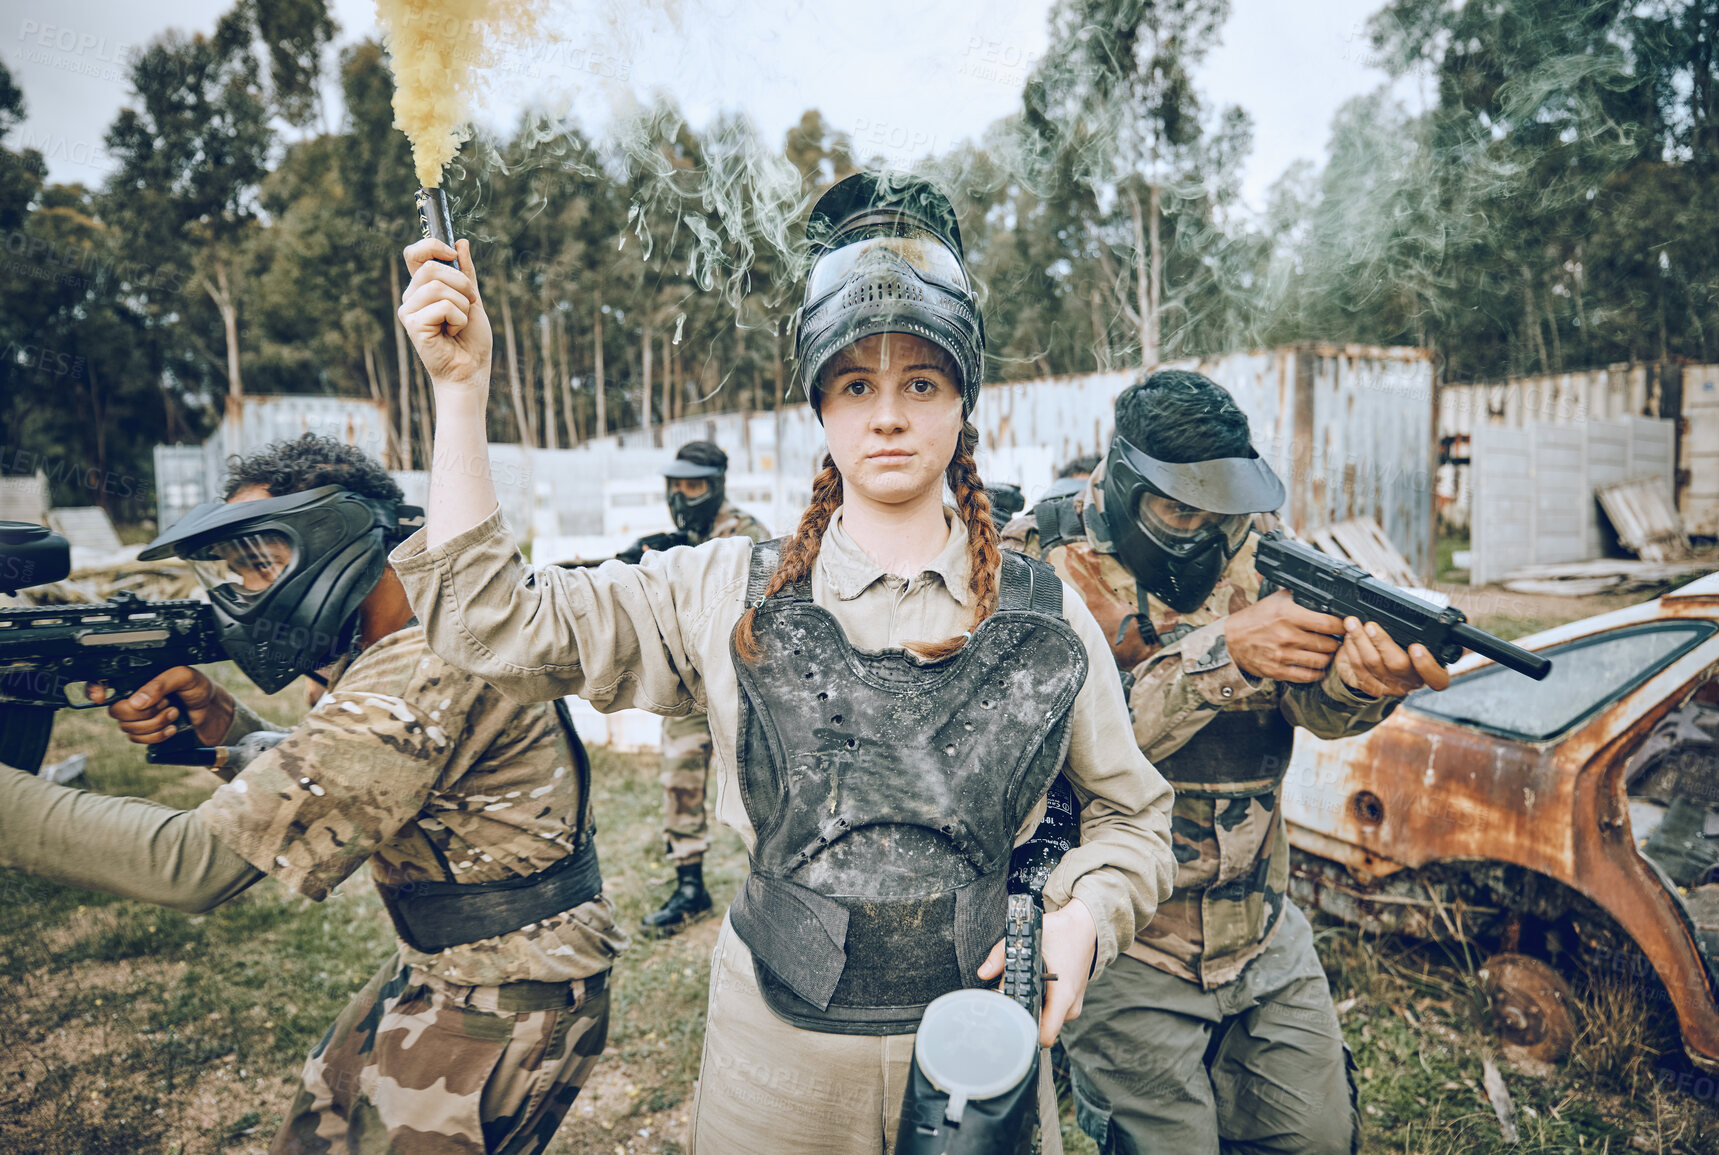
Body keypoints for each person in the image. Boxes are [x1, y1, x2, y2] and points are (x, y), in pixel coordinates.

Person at [388, 170, 1176, 1154]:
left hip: (985, 1056)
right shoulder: (721, 590)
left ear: (962, 404)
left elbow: (1134, 816)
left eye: (920, 382)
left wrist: (1089, 918)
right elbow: (486, 623)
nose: (886, 415)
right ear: (821, 407)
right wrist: (461, 397)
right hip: (779, 1074)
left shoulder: (1038, 610)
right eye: (856, 384)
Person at [0, 434, 625, 1155]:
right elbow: (361, 783)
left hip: (503, 994)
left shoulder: (416, 674)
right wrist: (227, 728)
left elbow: (188, 865)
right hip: (448, 966)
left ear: (337, 536)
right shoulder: (423, 628)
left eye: (259, 564)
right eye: (234, 571)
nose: (244, 592)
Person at [1018, 372, 1450, 1154]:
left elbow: (1310, 708)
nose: (1205, 531)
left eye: (1220, 509)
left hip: (1261, 927)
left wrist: (1357, 681)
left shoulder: (1260, 553)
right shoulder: (1035, 565)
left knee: (1317, 1136)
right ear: (1123, 482)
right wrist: (1225, 652)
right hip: (1120, 936)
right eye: (1179, 508)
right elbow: (1044, 750)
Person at [630, 441, 772, 936]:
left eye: (693, 486)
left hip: (741, 685)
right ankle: (690, 886)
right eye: (676, 486)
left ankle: (776, 888)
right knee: (680, 779)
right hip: (689, 678)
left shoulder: (746, 536)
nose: (682, 496)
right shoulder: (678, 536)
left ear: (716, 486)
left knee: (762, 788)